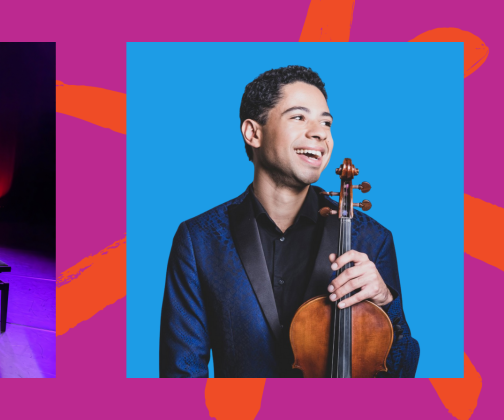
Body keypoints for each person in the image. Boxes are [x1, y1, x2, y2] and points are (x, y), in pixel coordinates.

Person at [159, 66, 419, 378]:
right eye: (299, 117)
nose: (320, 132)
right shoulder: (199, 238)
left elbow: (400, 376)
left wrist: (386, 302)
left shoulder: (371, 238)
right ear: (253, 133)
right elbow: (181, 372)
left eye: (326, 122)